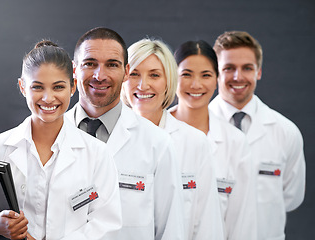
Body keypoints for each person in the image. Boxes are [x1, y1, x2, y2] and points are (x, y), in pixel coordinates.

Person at [0, 40, 122, 240]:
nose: (48, 98)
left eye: (58, 87)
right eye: (37, 87)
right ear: (23, 87)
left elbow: (107, 227)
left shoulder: (97, 154)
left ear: (73, 86)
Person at [65, 27, 185, 240]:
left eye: (111, 64)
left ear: (126, 71)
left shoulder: (157, 143)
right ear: (74, 69)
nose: (99, 75)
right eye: (90, 63)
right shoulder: (51, 135)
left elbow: (171, 231)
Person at [121, 38, 224, 240]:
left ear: (169, 81)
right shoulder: (107, 140)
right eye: (134, 74)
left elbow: (207, 223)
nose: (143, 85)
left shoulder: (195, 142)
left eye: (154, 75)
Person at [209, 31, 306, 240]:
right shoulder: (196, 130)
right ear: (216, 72)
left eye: (247, 68)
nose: (238, 77)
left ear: (259, 72)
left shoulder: (285, 132)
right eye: (229, 68)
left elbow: (291, 197)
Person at [169, 40, 257, 240]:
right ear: (173, 78)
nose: (196, 84)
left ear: (217, 79)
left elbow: (242, 221)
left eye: (206, 75)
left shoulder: (235, 142)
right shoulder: (155, 133)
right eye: (186, 74)